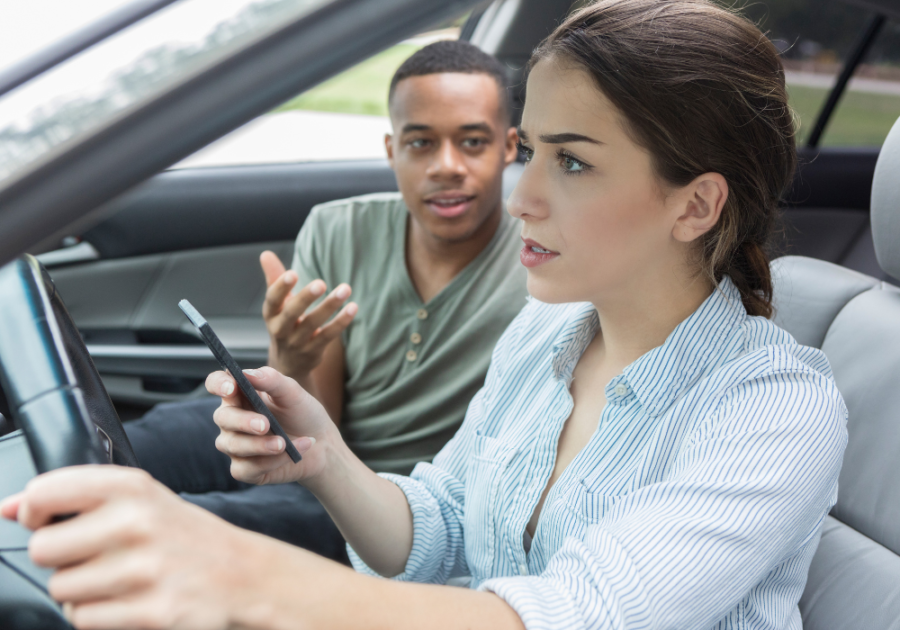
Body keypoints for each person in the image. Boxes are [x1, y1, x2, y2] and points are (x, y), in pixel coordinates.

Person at [3, 1, 849, 629]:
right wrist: (324, 456)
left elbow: (575, 614)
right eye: (530, 152)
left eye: (574, 164)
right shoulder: (547, 334)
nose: (525, 198)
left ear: (695, 205)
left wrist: (234, 570)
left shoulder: (773, 410)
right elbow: (440, 526)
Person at [120, 39, 525, 557]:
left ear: (509, 146)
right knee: (116, 444)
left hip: (389, 501)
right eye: (421, 143)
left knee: (165, 532)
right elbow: (314, 426)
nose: (446, 166)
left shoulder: (541, 260)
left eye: (472, 142)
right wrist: (291, 356)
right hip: (310, 440)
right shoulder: (338, 228)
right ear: (390, 149)